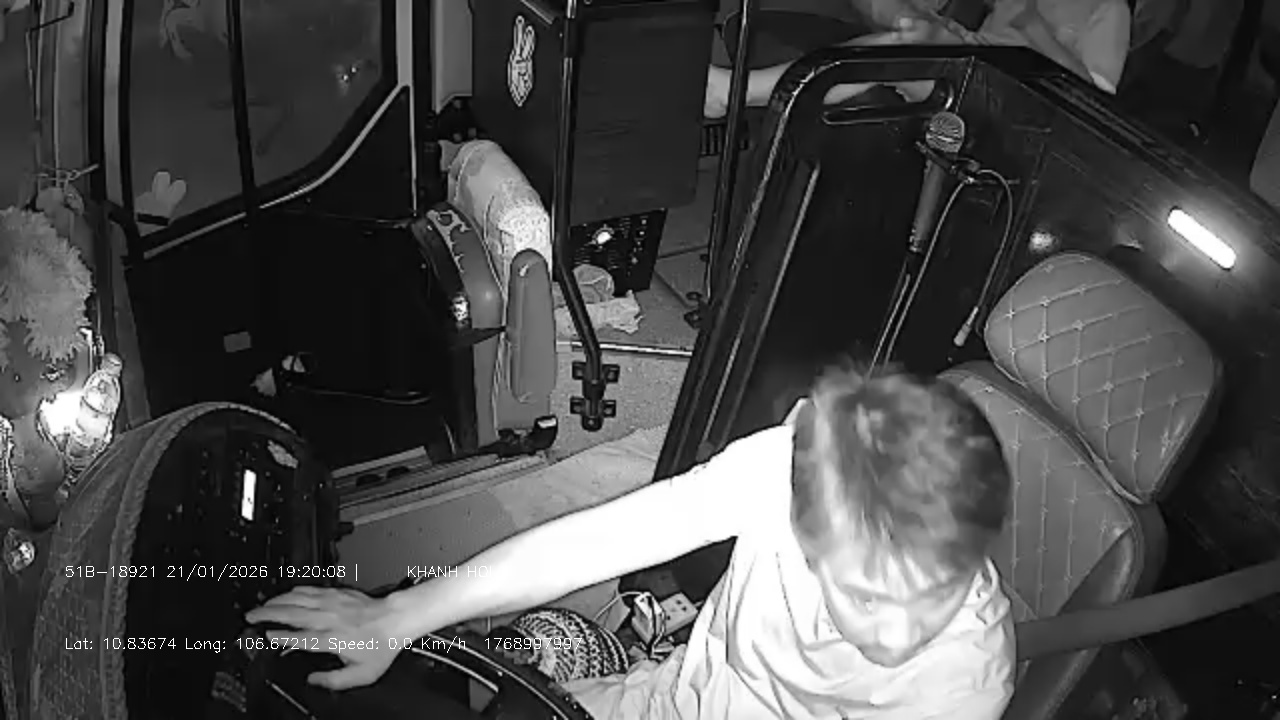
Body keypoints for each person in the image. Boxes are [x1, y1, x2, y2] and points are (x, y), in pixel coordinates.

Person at [247, 366, 1017, 719]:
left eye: (939, 590)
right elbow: (603, 539)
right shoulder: (795, 468)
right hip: (665, 699)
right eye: (868, 596)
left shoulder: (963, 685)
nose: (901, 634)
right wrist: (396, 617)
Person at [703, 0, 1132, 119]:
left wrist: (1033, 25)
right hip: (968, 58)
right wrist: (915, 17)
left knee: (914, 45)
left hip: (1016, 98)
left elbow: (1097, 98)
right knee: (912, 33)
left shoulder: (1109, 9)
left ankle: (732, 93)